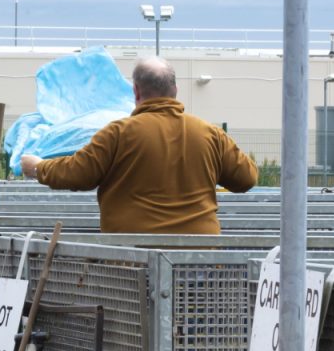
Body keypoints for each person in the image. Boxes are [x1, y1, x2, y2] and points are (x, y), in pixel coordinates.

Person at [20, 57, 257, 234]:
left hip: (132, 257)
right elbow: (247, 178)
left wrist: (39, 167)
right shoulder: (211, 134)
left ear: (135, 91)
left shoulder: (117, 133)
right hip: (198, 256)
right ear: (175, 90)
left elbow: (77, 173)